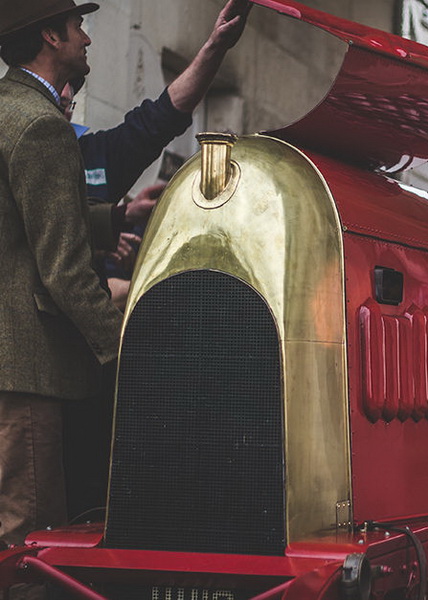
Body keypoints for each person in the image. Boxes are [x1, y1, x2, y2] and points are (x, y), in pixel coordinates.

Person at [57, 0, 251, 522]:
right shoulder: (25, 139)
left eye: (74, 92)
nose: (68, 99)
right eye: (60, 90)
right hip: (46, 367)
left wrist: (213, 49)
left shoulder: (89, 155)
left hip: (88, 375)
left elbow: (157, 120)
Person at [0, 0, 123, 549]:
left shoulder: (7, 109)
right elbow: (64, 271)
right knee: (27, 541)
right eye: (78, 26)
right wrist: (122, 347)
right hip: (27, 370)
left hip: (10, 366)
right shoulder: (41, 126)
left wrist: (113, 217)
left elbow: (16, 224)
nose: (87, 38)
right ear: (50, 36)